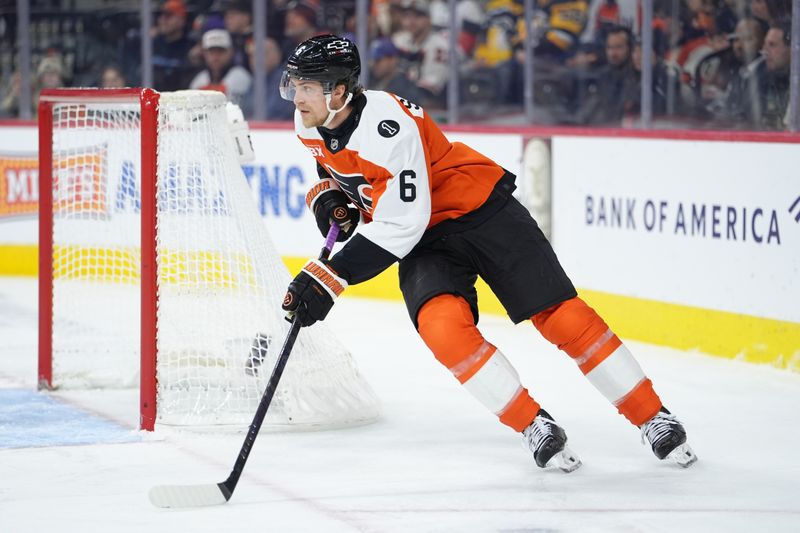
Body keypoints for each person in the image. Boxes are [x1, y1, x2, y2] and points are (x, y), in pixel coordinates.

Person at [278, 34, 698, 471]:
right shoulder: (308, 120)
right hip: (427, 242)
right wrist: (328, 197)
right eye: (294, 84)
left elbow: (403, 223)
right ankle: (532, 424)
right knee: (443, 331)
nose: (296, 96)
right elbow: (331, 162)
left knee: (561, 316)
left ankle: (653, 416)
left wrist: (330, 278)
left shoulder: (387, 126)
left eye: (306, 86)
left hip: (478, 209)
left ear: (339, 91)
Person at [190, 29, 252, 107]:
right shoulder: (198, 80)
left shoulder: (241, 76)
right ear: (204, 54)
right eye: (211, 51)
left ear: (231, 52)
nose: (216, 56)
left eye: (220, 51)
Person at [152, 0, 197, 91]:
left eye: (168, 16)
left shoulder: (190, 48)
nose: (163, 20)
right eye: (161, 15)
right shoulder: (152, 44)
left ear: (182, 20)